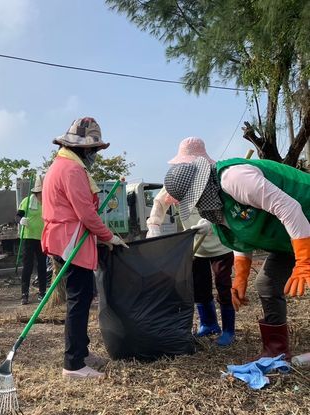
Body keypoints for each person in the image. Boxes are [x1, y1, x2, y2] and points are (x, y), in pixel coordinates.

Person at [163, 155, 310, 360]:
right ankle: (277, 351)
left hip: (305, 218)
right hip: (287, 240)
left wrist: (305, 261)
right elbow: (241, 235)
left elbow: (289, 208)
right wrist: (240, 277)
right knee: (267, 284)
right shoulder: (216, 207)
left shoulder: (234, 178)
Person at [42, 117, 128, 379]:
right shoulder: (72, 170)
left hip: (63, 237)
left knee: (81, 297)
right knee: (78, 302)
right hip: (70, 241)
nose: (96, 155)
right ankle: (73, 364)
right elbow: (87, 214)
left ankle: (82, 352)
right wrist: (109, 237)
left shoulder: (61, 165)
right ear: (85, 149)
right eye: (95, 151)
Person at [146, 138, 235, 346]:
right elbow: (159, 202)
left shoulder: (216, 179)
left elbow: (231, 210)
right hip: (195, 246)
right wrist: (154, 225)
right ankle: (209, 323)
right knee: (199, 287)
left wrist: (211, 223)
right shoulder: (178, 180)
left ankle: (229, 330)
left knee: (223, 286)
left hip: (221, 243)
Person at [17, 175, 47, 305]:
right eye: (40, 193)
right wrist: (21, 220)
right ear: (36, 192)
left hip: (42, 238)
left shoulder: (47, 201)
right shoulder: (27, 201)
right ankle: (24, 294)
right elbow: (18, 216)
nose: (42, 195)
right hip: (29, 238)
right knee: (27, 267)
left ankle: (42, 292)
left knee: (42, 266)